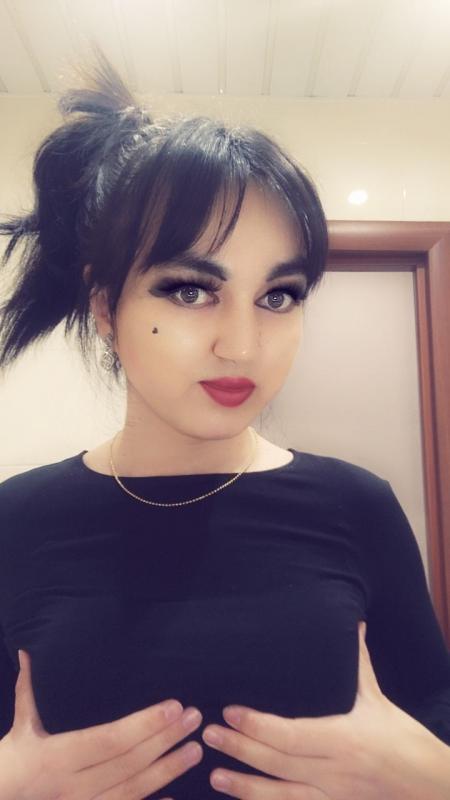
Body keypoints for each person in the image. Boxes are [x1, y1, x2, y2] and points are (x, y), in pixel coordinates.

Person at [0, 48, 449, 800]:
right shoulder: (16, 520)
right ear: (106, 306)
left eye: (279, 295)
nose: (242, 345)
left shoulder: (357, 505)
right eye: (189, 290)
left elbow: (433, 704)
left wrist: (434, 778)